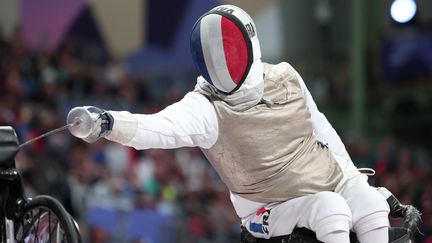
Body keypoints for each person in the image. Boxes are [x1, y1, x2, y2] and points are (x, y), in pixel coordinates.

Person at [68, 5, 391, 243]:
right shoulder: (205, 107)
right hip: (268, 208)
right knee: (331, 209)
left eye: (231, 50)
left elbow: (321, 130)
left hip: (328, 178)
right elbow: (157, 128)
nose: (224, 62)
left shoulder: (286, 76)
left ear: (250, 45)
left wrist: (352, 177)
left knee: (371, 203)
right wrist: (109, 122)